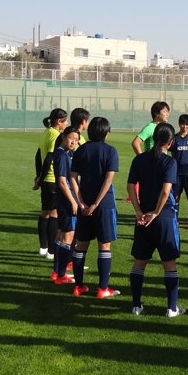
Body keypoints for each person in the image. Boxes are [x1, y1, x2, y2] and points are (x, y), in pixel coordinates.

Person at [128, 123, 185, 317]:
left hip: (143, 217)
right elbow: (166, 191)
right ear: (170, 142)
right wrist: (156, 212)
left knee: (139, 263)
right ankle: (172, 308)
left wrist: (138, 211)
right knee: (169, 264)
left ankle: (136, 305)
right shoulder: (170, 162)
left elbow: (130, 187)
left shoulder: (140, 159)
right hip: (163, 217)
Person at [69, 117, 120, 298]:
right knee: (104, 246)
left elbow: (73, 178)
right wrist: (96, 204)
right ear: (106, 133)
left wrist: (81, 202)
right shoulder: (111, 151)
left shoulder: (80, 150)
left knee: (81, 245)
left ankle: (79, 286)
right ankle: (103, 289)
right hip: (104, 204)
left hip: (85, 204)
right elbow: (108, 181)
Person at [33, 108, 68, 259]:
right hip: (52, 179)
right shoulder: (56, 135)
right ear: (59, 121)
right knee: (54, 214)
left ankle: (43, 247)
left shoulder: (46, 132)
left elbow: (37, 156)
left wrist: (39, 176)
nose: (67, 123)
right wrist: (41, 177)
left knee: (45, 213)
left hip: (46, 180)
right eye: (66, 121)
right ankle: (52, 251)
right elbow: (49, 158)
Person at [51, 126, 81, 285]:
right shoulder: (62, 155)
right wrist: (73, 201)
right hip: (67, 200)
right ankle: (61, 275)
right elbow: (62, 181)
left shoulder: (68, 153)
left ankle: (56, 272)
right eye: (71, 138)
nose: (74, 142)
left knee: (61, 235)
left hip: (64, 200)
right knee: (67, 238)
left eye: (76, 140)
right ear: (63, 136)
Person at [128, 101, 170, 202]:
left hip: (162, 162)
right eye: (164, 111)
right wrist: (143, 158)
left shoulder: (162, 127)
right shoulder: (150, 127)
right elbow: (135, 143)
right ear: (156, 113)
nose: (167, 114)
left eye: (168, 111)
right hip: (152, 164)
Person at [169, 114, 188, 230]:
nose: (185, 127)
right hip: (177, 172)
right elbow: (172, 153)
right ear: (179, 124)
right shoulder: (174, 138)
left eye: (187, 125)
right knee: (176, 196)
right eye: (183, 124)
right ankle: (176, 221)